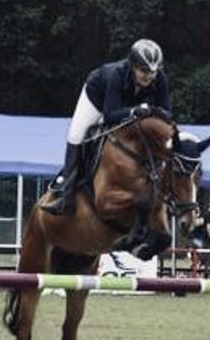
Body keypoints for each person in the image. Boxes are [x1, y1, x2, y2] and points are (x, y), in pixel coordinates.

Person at [41, 39, 170, 216]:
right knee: (77, 135)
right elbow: (109, 116)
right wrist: (135, 110)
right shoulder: (116, 75)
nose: (149, 76)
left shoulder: (160, 79)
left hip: (126, 106)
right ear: (133, 66)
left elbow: (167, 114)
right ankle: (66, 194)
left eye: (153, 72)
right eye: (144, 71)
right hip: (97, 99)